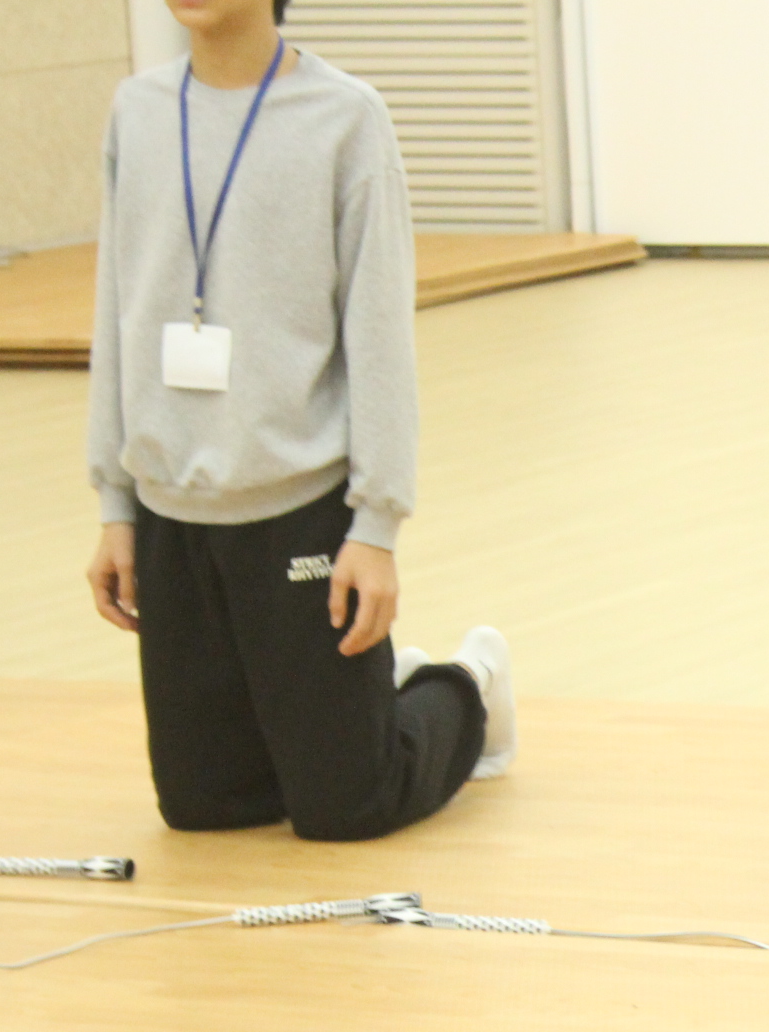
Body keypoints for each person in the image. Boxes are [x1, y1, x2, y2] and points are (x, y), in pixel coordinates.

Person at [83, 0, 514, 843]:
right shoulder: (138, 111)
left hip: (300, 509)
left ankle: (464, 686)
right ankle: (350, 708)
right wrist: (114, 507)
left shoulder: (345, 117)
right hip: (172, 513)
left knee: (348, 808)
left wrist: (377, 525)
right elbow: (116, 310)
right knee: (206, 808)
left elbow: (379, 335)